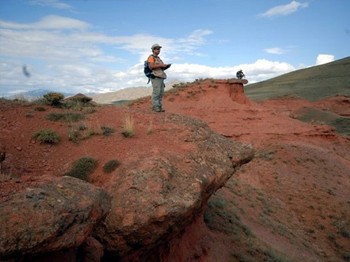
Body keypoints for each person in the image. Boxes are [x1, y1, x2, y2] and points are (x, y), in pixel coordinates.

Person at [147, 44, 171, 112]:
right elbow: (151, 66)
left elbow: (161, 68)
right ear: (153, 50)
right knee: (156, 93)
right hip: (155, 77)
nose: (158, 50)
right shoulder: (151, 57)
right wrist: (161, 65)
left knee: (161, 93)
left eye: (159, 49)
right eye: (157, 49)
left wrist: (166, 66)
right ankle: (155, 107)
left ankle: (159, 107)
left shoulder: (158, 58)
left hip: (161, 77)